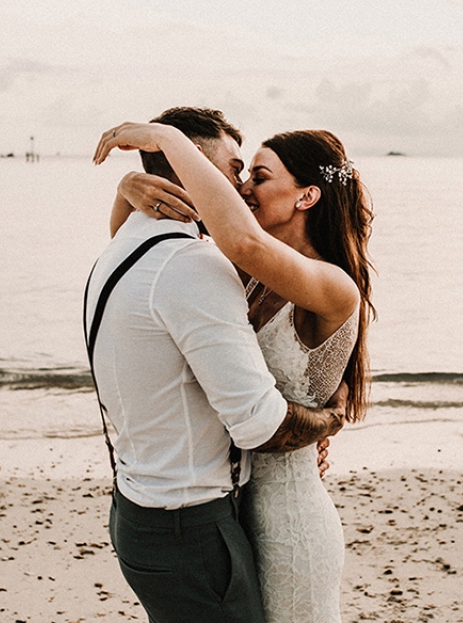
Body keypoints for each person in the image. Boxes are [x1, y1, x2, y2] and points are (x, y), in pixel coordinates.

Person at [96, 113, 374, 623]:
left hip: (289, 519)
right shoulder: (239, 276)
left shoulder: (333, 285)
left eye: (259, 177)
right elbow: (136, 255)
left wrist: (165, 140)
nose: (243, 189)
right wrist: (129, 187)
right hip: (232, 507)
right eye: (241, 174)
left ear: (306, 197)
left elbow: (241, 238)